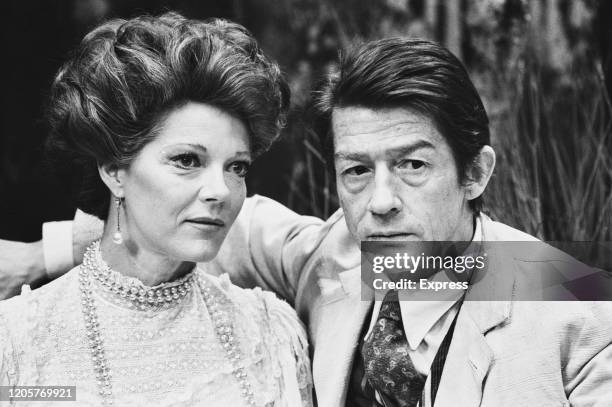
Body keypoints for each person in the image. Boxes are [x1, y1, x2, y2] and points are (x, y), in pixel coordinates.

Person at [6, 38, 612, 406]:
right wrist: (44, 256)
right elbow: (192, 219)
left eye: (413, 166)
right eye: (356, 170)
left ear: (475, 174)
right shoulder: (332, 256)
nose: (380, 201)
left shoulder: (578, 308)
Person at [0, 12, 313, 407]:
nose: (220, 190)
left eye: (237, 167)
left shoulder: (271, 332)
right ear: (115, 171)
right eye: (186, 160)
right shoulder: (18, 343)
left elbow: (346, 262)